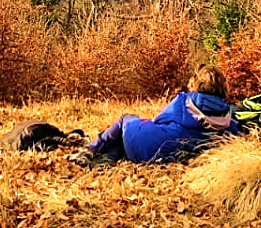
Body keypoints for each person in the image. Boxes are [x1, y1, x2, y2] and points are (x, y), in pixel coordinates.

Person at [70, 66, 241, 166]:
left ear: (197, 83)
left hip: (153, 146)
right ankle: (107, 159)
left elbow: (159, 121)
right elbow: (231, 138)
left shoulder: (184, 100)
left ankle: (89, 150)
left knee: (125, 120)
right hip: (174, 156)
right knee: (127, 141)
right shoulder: (228, 116)